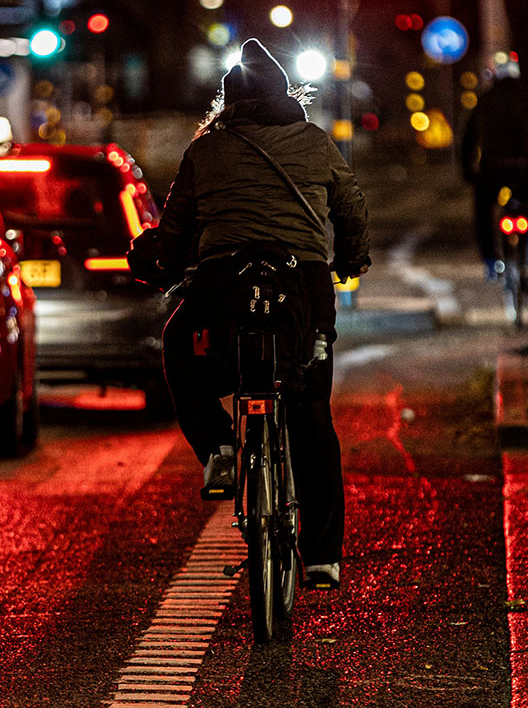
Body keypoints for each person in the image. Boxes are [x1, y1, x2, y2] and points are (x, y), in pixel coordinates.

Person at [153, 39, 371, 590]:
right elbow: (351, 209)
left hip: (224, 283)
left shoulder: (205, 152)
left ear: (227, 101)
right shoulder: (317, 144)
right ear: (285, 96)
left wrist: (165, 264)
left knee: (180, 347)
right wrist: (350, 259)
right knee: (312, 415)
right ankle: (323, 556)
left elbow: (175, 229)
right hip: (303, 285)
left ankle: (221, 448)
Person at [460, 65, 528, 279]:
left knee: (483, 211)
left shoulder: (486, 99)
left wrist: (468, 170)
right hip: (523, 168)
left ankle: (490, 260)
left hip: (494, 168)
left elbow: (469, 138)